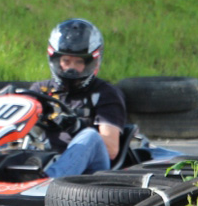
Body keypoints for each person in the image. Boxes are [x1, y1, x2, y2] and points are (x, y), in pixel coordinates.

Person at [29, 18, 127, 177]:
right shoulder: (40, 90)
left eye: (78, 62)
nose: (71, 68)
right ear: (56, 60)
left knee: (91, 136)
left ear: (91, 62)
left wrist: (76, 127)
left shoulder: (105, 93)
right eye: (66, 61)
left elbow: (110, 149)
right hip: (47, 158)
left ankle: (48, 183)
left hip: (91, 171)